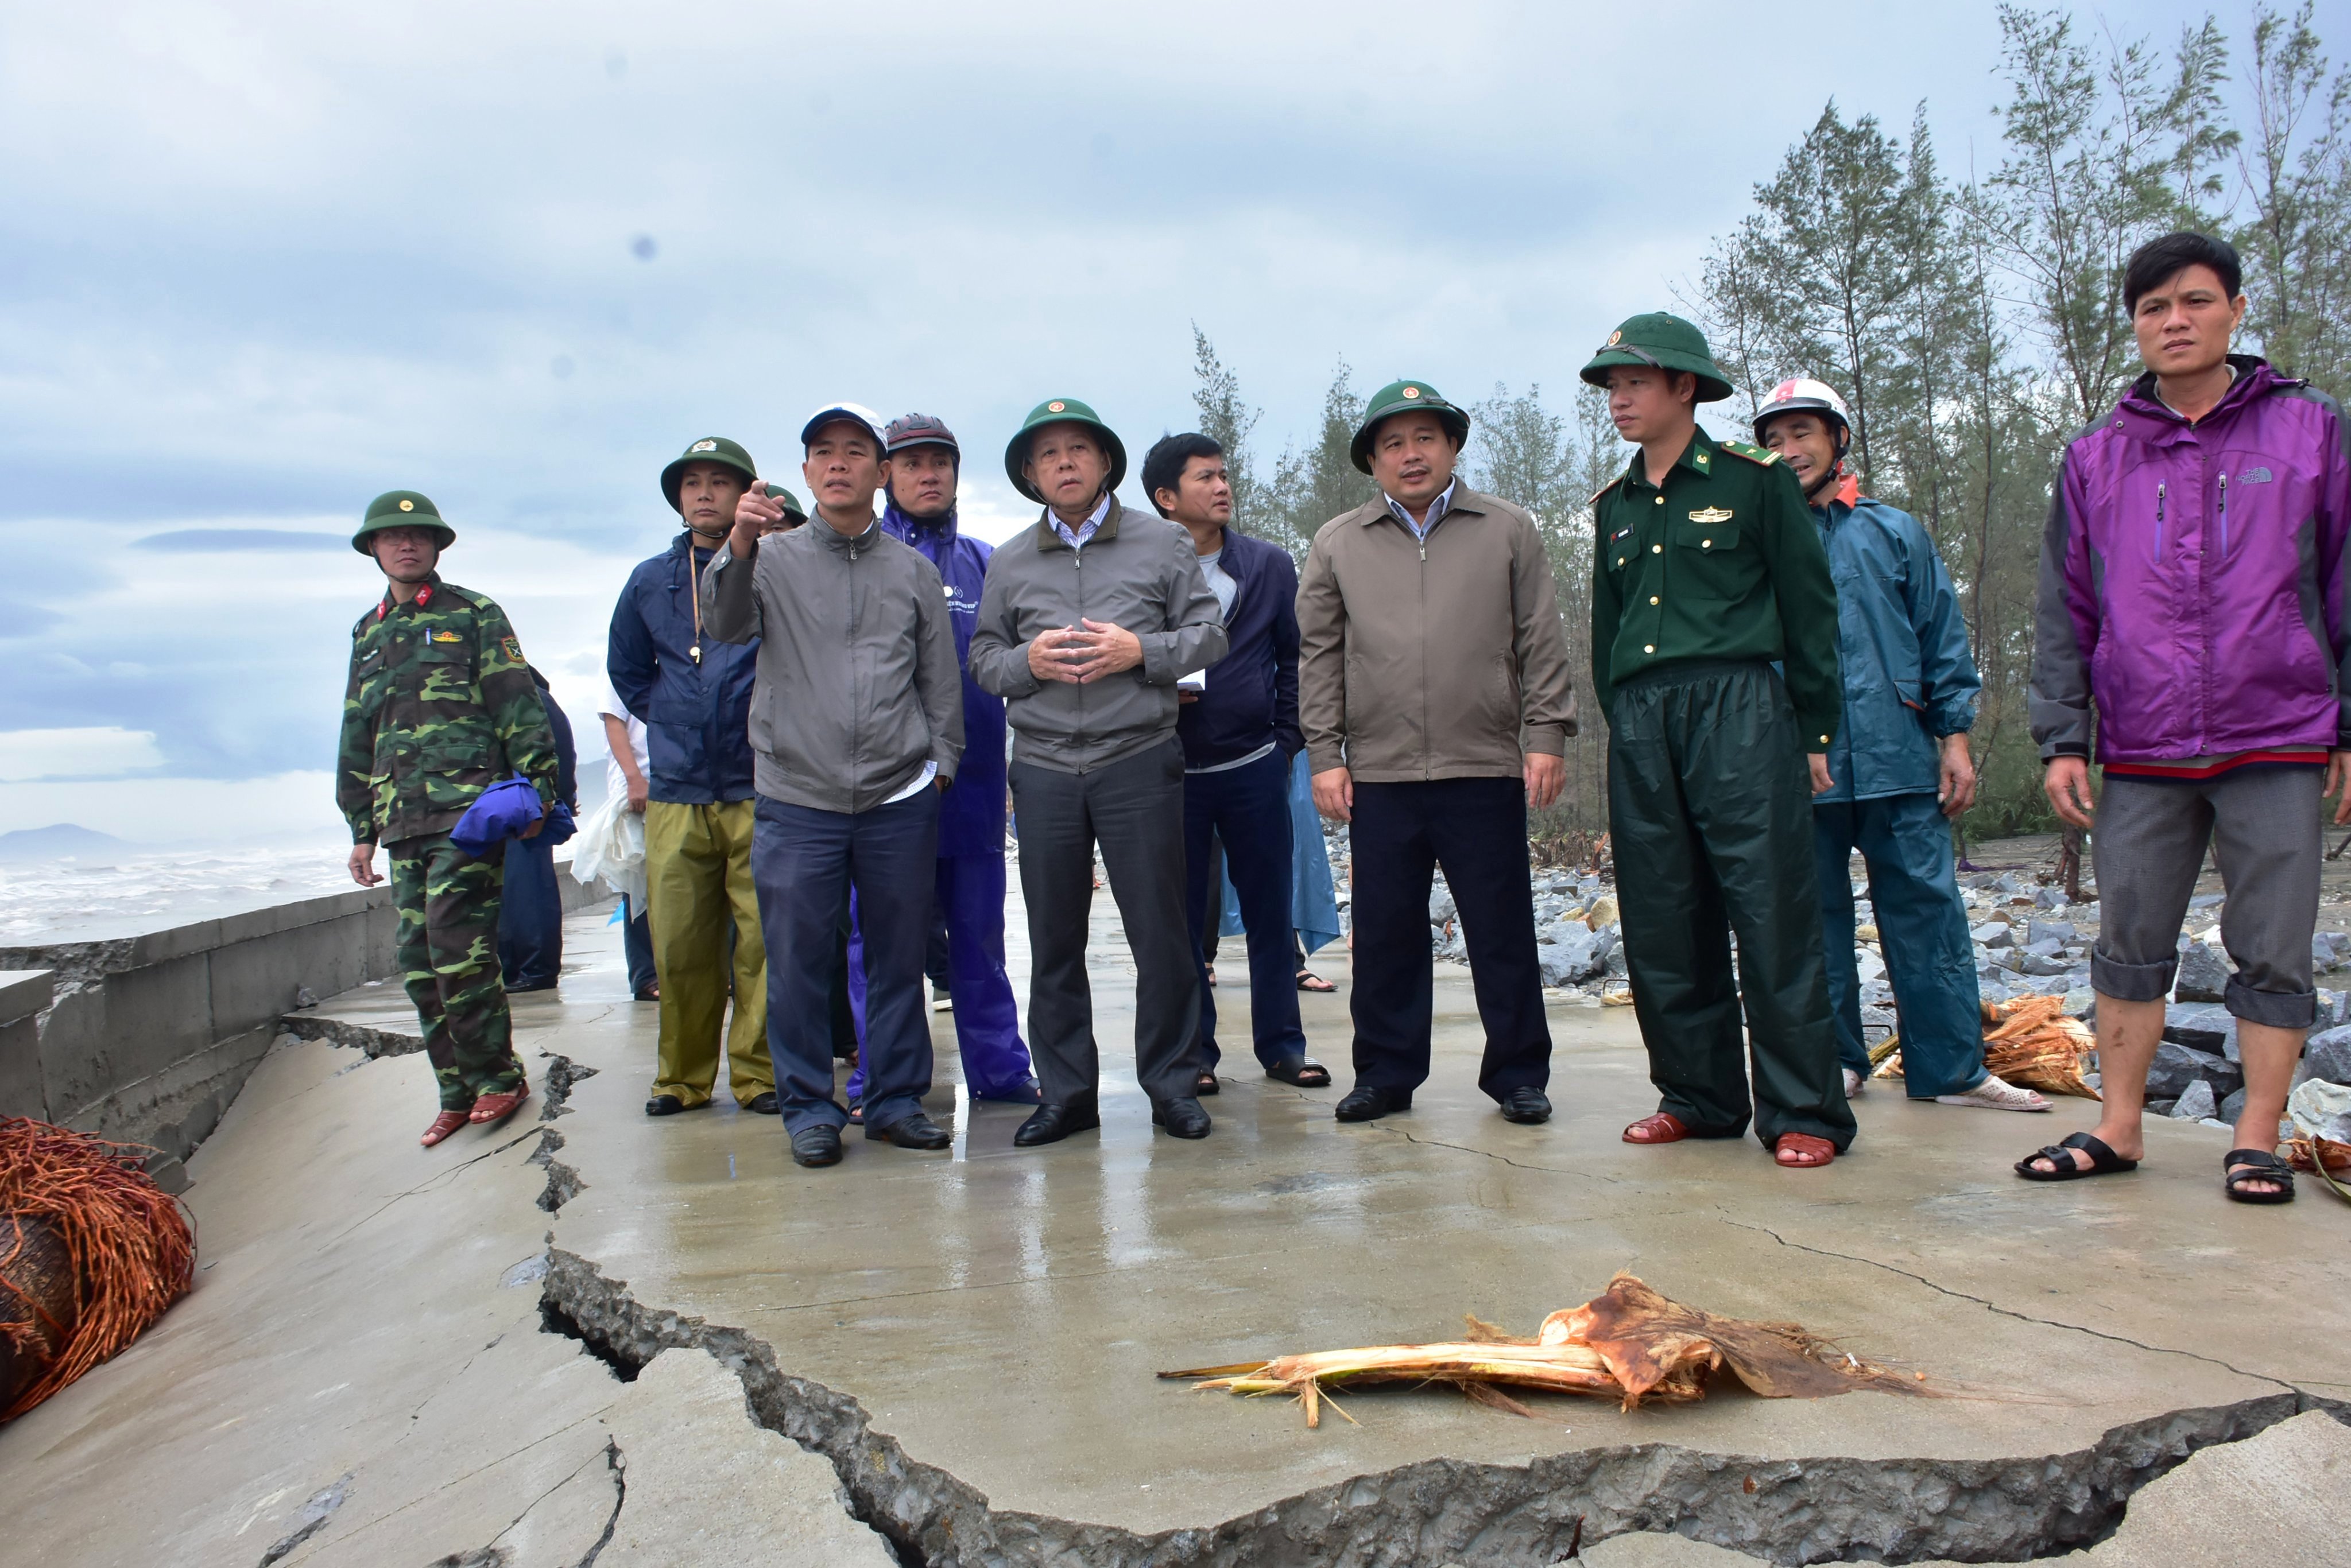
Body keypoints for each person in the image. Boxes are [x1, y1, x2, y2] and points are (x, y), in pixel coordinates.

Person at [2024, 231, 2351, 1202]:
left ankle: (2257, 1131)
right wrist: (2063, 737)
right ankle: (2120, 1124)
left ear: (2237, 311)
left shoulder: (2311, 431)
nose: (2175, 321)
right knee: (2129, 934)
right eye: (2154, 308)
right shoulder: (2097, 458)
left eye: (2196, 301)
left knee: (2276, 939)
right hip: (2144, 734)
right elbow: (2065, 605)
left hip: (2279, 726)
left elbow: (2343, 583)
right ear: (2134, 325)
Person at [1583, 315, 1856, 1169]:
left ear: (1683, 387)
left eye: (1632, 383)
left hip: (1738, 708)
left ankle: (1804, 1110)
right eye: (1609, 387)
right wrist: (1626, 723)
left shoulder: (1753, 480)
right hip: (1641, 718)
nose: (1618, 400)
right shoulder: (1613, 504)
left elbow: (1809, 610)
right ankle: (1696, 1098)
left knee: (1769, 909)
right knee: (1662, 916)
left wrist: (1813, 731)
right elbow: (1606, 632)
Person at [1754, 379, 2048, 1115]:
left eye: (1803, 434)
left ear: (1838, 438)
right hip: (1802, 766)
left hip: (1900, 755)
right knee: (1812, 921)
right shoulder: (1755, 541)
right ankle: (1837, 1063)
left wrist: (1954, 738)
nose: (1789, 451)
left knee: (1928, 912)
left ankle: (1954, 1071)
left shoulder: (1896, 531)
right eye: (1775, 438)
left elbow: (1941, 635)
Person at [1296, 381, 1576, 1125]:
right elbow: (1317, 657)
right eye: (1392, 443)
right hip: (1380, 774)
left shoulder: (1506, 529)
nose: (1409, 454)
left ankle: (1517, 1074)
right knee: (1385, 933)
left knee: (1500, 927)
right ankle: (1384, 1074)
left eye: (1424, 437)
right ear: (1372, 461)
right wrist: (1325, 753)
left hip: (1481, 762)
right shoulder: (1338, 543)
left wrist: (1545, 734)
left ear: (1451, 447)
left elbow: (1539, 641)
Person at [705, 403, 963, 1169]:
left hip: (896, 798)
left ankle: (892, 1101)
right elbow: (722, 627)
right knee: (796, 960)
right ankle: (809, 1107)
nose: (840, 463)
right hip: (796, 798)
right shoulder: (771, 559)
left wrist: (939, 760)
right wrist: (740, 541)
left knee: (896, 956)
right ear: (808, 471)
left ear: (881, 474)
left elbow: (937, 678)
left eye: (857, 452)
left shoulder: (910, 570)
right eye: (824, 452)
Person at [968, 398, 1228, 1146]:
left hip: (1137, 759)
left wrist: (1139, 652)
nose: (1064, 464)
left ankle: (1171, 1085)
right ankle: (1067, 1093)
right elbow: (984, 660)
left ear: (1105, 461)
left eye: (1077, 449)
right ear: (1028, 473)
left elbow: (1209, 635)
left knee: (1160, 934)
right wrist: (1028, 662)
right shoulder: (1011, 558)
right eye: (1046, 455)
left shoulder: (1161, 543)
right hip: (1045, 767)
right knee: (1053, 939)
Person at [793, 412, 1036, 1107]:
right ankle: (884, 1074)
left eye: (941, 463)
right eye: (911, 464)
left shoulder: (988, 562)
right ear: (884, 476)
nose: (928, 475)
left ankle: (1000, 1069)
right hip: (882, 794)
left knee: (980, 942)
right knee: (882, 946)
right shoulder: (858, 559)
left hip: (977, 790)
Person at [338, 491, 559, 1147]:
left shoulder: (474, 614)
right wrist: (359, 828)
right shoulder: (367, 633)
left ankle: (499, 1077)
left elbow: (518, 703)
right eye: (392, 537)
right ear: (374, 549)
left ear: (436, 547)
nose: (406, 545)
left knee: (459, 950)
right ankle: (456, 1089)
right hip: (402, 817)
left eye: (418, 536)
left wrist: (538, 793)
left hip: (468, 813)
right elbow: (358, 729)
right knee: (419, 962)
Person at [1142, 431, 1325, 1092]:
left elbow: (1294, 657)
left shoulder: (1269, 565)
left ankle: (1283, 1045)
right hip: (1170, 771)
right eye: (1203, 478)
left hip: (1254, 764)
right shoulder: (1142, 570)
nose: (1221, 487)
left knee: (1271, 913)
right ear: (1166, 498)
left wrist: (1286, 741)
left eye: (1224, 475)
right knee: (1183, 919)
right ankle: (1196, 1055)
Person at [608, 438, 777, 1118]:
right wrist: (675, 716)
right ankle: (681, 1078)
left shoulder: (772, 566)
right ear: (678, 497)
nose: (705, 493)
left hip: (759, 784)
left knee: (762, 944)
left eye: (720, 482)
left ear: (746, 494)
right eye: (692, 483)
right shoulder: (650, 579)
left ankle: (758, 1076)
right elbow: (628, 671)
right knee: (679, 945)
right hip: (678, 789)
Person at [498, 665, 578, 992]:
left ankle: (532, 971)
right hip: (533, 807)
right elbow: (566, 752)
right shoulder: (544, 699)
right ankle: (531, 969)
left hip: (522, 810)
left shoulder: (527, 700)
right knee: (531, 890)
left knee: (524, 892)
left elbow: (555, 751)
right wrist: (565, 799)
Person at [595, 684, 657, 1001]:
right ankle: (646, 976)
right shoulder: (625, 663)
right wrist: (634, 778)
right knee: (638, 888)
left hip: (682, 783)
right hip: (640, 786)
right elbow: (613, 719)